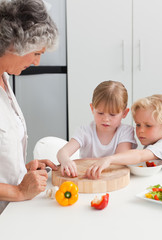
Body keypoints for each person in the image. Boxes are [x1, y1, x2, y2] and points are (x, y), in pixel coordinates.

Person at [0, 0, 59, 214]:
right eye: (36, 53)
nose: (37, 62)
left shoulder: (4, 79)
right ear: (14, 43)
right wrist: (18, 190)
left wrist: (22, 172)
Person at [85, 94, 162, 179]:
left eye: (148, 126)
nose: (140, 130)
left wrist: (108, 159)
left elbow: (139, 156)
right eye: (138, 124)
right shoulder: (151, 144)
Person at [57, 80, 137, 177]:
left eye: (112, 114)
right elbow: (62, 152)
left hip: (114, 178)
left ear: (124, 113)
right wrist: (65, 160)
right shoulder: (85, 131)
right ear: (92, 108)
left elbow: (121, 158)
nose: (106, 119)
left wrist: (107, 160)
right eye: (100, 113)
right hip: (89, 179)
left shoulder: (126, 131)